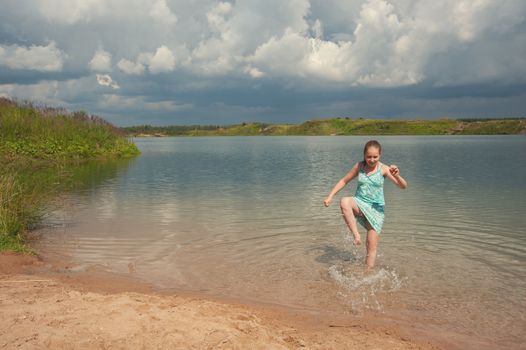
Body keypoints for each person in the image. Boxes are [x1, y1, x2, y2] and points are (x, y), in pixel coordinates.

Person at [323, 140, 407, 268]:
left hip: (376, 211)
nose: (372, 160)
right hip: (359, 204)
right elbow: (344, 180)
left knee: (371, 247)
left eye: (375, 157)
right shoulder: (359, 167)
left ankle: (367, 273)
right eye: (369, 157)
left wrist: (398, 176)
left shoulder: (384, 169)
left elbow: (403, 186)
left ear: (380, 155)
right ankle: (356, 235)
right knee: (344, 201)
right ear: (364, 155)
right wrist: (330, 196)